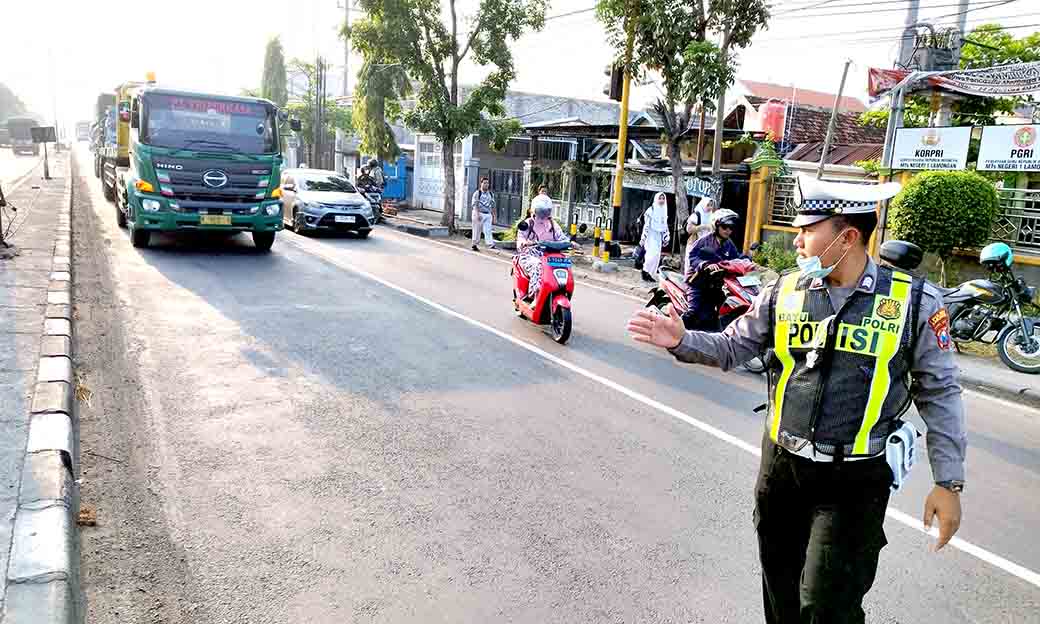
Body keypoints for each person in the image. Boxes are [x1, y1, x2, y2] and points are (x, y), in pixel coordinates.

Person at [627, 173, 966, 624]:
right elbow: (732, 347)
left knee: (827, 609)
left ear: (847, 237)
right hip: (782, 470)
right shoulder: (783, 291)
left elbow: (940, 392)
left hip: (854, 481)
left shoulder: (913, 302)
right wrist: (680, 339)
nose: (797, 240)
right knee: (781, 597)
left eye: (808, 229)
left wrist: (948, 482)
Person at [683, 209, 747, 331]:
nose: (728, 230)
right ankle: (678, 332)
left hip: (716, 282)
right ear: (716, 226)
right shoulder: (705, 241)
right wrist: (704, 264)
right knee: (693, 310)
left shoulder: (729, 243)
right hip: (697, 280)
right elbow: (693, 256)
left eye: (731, 228)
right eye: (724, 227)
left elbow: (736, 257)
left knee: (722, 307)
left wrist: (747, 260)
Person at [516, 195, 570, 301]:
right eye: (541, 211)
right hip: (529, 254)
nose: (543, 214)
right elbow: (521, 237)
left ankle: (560, 289)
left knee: (565, 264)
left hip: (549, 255)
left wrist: (570, 243)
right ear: (534, 210)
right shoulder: (528, 223)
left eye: (546, 211)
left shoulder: (553, 224)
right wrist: (524, 243)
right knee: (538, 265)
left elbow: (562, 237)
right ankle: (534, 294)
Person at [640, 192, 671, 282]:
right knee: (651, 255)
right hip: (651, 235)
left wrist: (666, 238)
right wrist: (643, 238)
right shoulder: (650, 210)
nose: (661, 200)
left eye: (663, 198)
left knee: (657, 256)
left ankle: (650, 273)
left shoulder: (664, 210)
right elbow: (646, 225)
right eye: (660, 198)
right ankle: (645, 271)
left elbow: (664, 225)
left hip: (658, 237)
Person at [684, 197, 717, 276]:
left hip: (706, 246)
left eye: (711, 205)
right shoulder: (696, 215)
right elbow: (689, 229)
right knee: (691, 265)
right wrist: (703, 227)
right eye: (708, 205)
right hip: (694, 243)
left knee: (702, 265)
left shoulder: (712, 216)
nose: (710, 207)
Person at [471, 176, 496, 251]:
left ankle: (490, 244)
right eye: (484, 183)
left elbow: (493, 205)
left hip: (488, 214)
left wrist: (494, 216)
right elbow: (475, 204)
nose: (486, 184)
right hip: (478, 213)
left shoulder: (490, 194)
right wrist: (478, 214)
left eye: (487, 183)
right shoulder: (477, 193)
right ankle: (474, 244)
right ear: (481, 184)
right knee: (477, 230)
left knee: (488, 229)